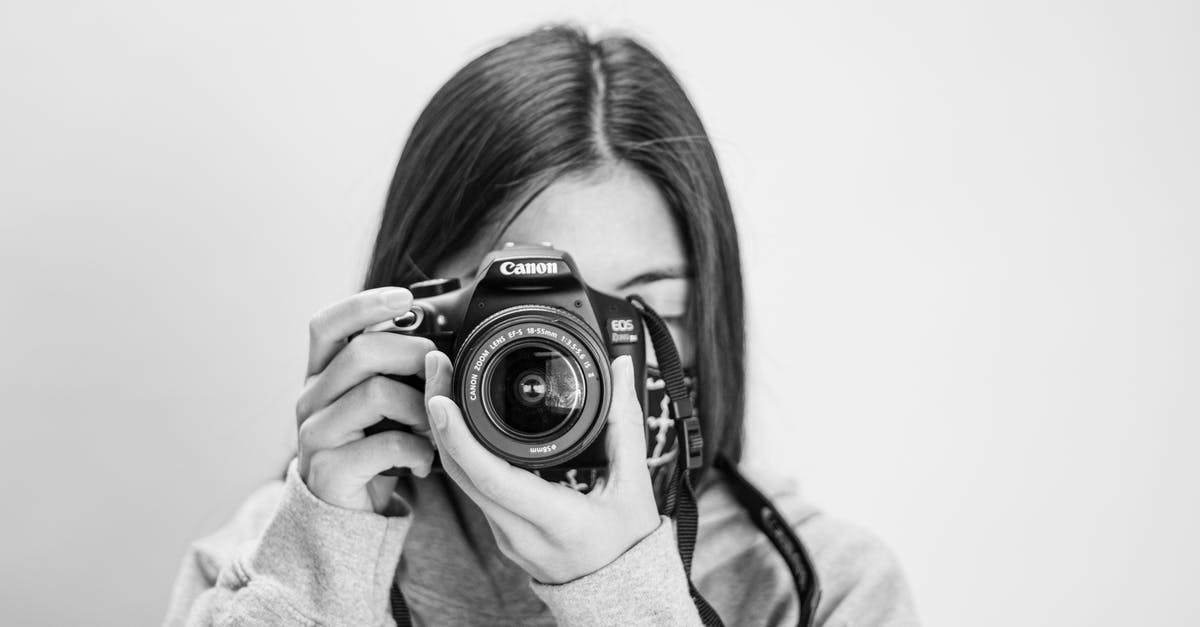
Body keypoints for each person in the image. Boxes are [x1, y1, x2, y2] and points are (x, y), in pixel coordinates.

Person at [165, 24, 919, 626]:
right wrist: (321, 569)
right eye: (523, 312)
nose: (573, 358)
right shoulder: (269, 560)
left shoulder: (824, 588)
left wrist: (625, 597)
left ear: (702, 324)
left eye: (645, 311)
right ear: (416, 311)